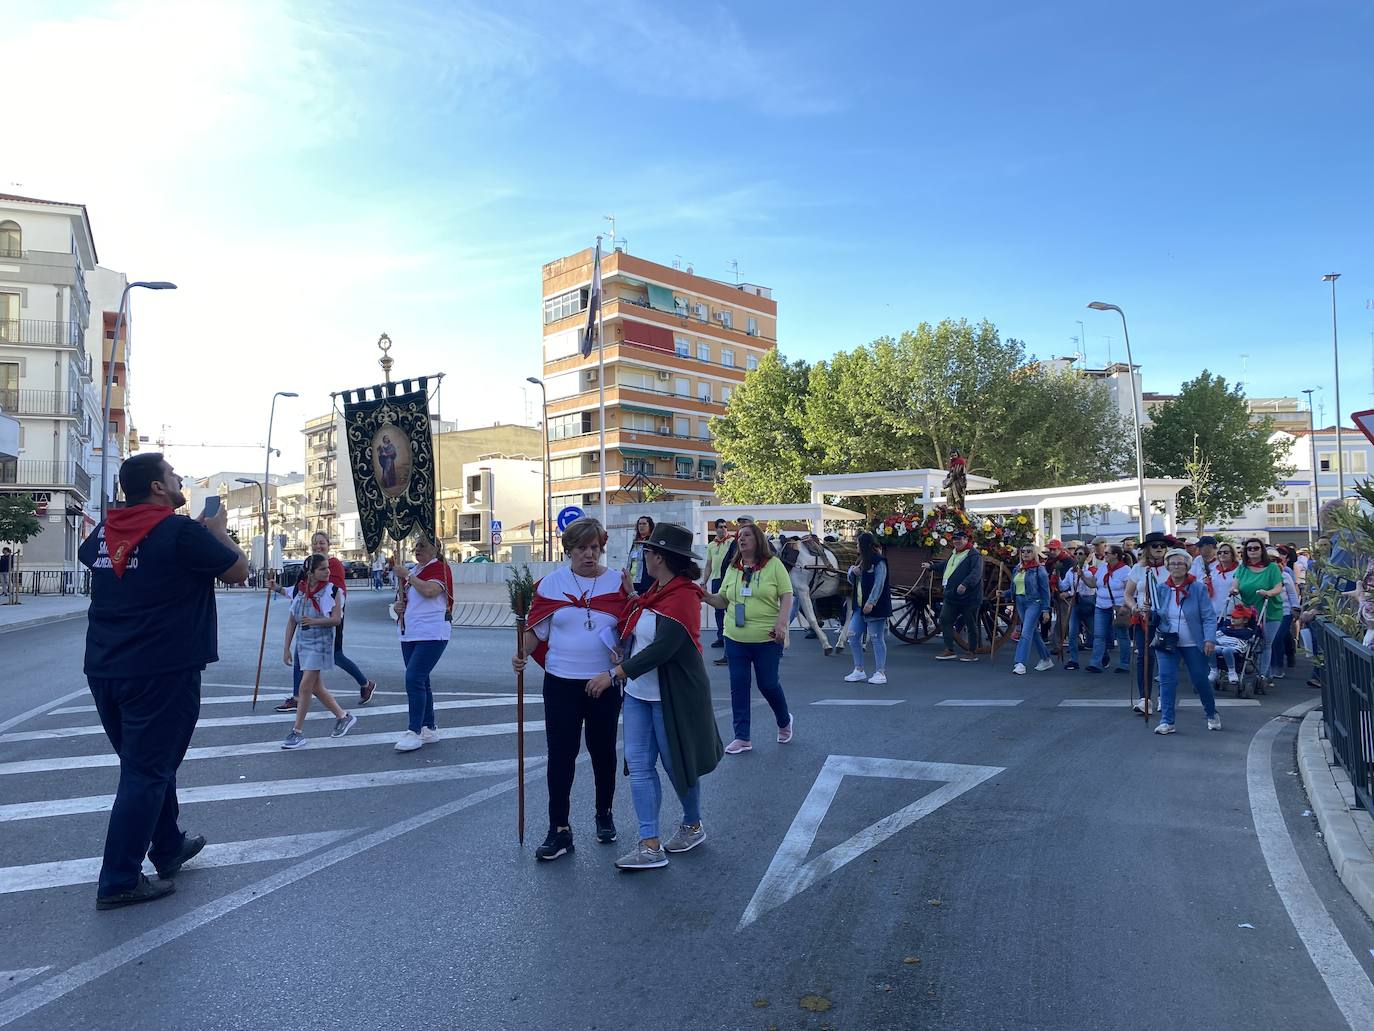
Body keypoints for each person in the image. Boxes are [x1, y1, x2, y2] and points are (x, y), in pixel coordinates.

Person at [80, 453, 249, 909]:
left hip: (105, 669)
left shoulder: (104, 532)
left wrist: (193, 532)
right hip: (161, 671)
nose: (178, 479)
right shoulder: (181, 532)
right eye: (173, 474)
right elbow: (238, 569)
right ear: (158, 487)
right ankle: (118, 878)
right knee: (148, 769)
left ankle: (169, 846)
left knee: (148, 763)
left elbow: (120, 551)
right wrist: (217, 531)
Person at [586, 523, 724, 871]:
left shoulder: (684, 597)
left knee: (677, 765)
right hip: (638, 694)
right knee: (641, 766)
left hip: (671, 696)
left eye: (647, 551)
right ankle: (650, 844)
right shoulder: (656, 593)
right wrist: (632, 598)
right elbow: (643, 629)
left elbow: (663, 648)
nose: (643, 555)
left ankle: (692, 824)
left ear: (658, 557)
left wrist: (614, 673)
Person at [513, 517, 627, 860]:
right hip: (561, 681)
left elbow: (630, 629)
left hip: (604, 682)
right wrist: (522, 652)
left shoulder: (618, 583)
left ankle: (604, 814)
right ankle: (559, 829)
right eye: (582, 548)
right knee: (561, 756)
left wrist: (621, 663)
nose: (590, 554)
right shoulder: (550, 584)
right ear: (569, 550)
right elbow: (537, 631)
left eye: (595, 548)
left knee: (603, 751)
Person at [703, 521, 794, 754]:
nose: (741, 539)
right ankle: (742, 737)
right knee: (739, 686)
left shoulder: (774, 565)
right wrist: (704, 596)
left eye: (747, 535)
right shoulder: (734, 567)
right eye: (739, 535)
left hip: (767, 638)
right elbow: (723, 600)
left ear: (758, 541)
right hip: (735, 638)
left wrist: (782, 623)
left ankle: (784, 721)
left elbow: (787, 595)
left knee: (768, 684)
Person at [273, 531, 376, 712]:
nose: (318, 546)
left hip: (328, 619)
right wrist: (277, 588)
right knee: (301, 653)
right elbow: (298, 590)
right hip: (310, 620)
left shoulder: (333, 564)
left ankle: (364, 684)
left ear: (328, 545)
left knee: (335, 656)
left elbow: (337, 591)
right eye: (315, 543)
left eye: (322, 543)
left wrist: (322, 614)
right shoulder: (311, 564)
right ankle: (298, 696)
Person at [280, 554, 357, 749]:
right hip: (303, 643)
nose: (327, 572)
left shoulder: (333, 591)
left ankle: (297, 731)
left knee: (305, 686)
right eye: (322, 569)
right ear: (311, 572)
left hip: (321, 643)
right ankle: (343, 716)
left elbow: (336, 619)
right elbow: (292, 621)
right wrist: (286, 648)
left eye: (327, 568)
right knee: (315, 687)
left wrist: (315, 621)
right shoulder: (301, 589)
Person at [1150, 548, 1221, 734]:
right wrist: (1145, 612)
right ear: (1167, 566)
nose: (1176, 567)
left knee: (1199, 680)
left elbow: (1208, 616)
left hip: (1193, 642)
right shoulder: (1161, 588)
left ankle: (1211, 713)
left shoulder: (1198, 588)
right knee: (1166, 680)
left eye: (1180, 563)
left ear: (1187, 566)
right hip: (1167, 641)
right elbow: (1156, 614)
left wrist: (1209, 639)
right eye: (1172, 563)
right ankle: (1167, 721)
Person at [393, 535, 453, 752]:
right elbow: (408, 599)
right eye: (416, 545)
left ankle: (414, 730)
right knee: (422, 680)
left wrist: (407, 576)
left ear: (436, 549)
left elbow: (430, 591)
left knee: (414, 677)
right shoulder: (415, 570)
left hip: (432, 632)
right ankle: (428, 727)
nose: (418, 549)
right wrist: (398, 606)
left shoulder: (440, 570)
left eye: (423, 546)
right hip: (410, 632)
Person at [1124, 531, 1173, 712]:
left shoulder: (1172, 567)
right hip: (1144, 618)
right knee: (1145, 657)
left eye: (1162, 546)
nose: (1159, 548)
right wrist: (1134, 607)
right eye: (1155, 546)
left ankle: (1163, 697)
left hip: (1167, 619)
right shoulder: (1138, 568)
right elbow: (1128, 594)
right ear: (1147, 549)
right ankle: (1144, 699)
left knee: (1165, 658)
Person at [924, 529, 983, 661]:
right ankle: (949, 649)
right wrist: (931, 567)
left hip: (968, 597)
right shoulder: (955, 553)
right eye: (955, 539)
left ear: (966, 540)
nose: (956, 541)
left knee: (971, 623)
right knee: (945, 619)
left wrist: (965, 584)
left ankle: (972, 652)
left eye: (960, 539)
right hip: (952, 594)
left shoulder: (974, 555)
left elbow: (976, 573)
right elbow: (947, 566)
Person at [1235, 537, 1284, 688]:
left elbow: (1278, 587)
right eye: (1249, 549)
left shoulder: (1272, 568)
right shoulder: (1242, 568)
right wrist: (1234, 590)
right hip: (1248, 611)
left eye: (1256, 548)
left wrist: (1269, 593)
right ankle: (1261, 671)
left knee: (1266, 643)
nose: (1252, 551)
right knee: (1251, 642)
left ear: (1262, 550)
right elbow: (1236, 583)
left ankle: (1262, 675)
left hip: (1269, 610)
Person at [843, 532, 892, 684]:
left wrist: (871, 602)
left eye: (858, 544)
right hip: (860, 606)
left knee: (877, 638)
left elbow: (879, 583)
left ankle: (880, 672)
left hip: (875, 607)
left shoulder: (879, 562)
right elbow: (853, 580)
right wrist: (852, 572)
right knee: (852, 635)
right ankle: (859, 669)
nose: (856, 546)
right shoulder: (861, 561)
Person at [1081, 544, 1132, 674]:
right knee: (1099, 635)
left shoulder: (1125, 570)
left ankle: (1124, 663)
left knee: (1122, 635)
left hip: (1119, 606)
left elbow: (1129, 590)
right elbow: (1093, 583)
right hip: (1101, 605)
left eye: (1108, 553)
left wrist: (1126, 606)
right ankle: (1095, 663)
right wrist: (1082, 576)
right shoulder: (1103, 568)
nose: (1105, 555)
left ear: (1115, 555)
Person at [1003, 544, 1053, 675]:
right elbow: (1015, 588)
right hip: (1020, 602)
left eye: (1029, 551)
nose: (1025, 553)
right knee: (1032, 631)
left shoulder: (1039, 570)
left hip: (1034, 602)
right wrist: (1003, 593)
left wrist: (1046, 609)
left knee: (1025, 633)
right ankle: (1046, 659)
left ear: (1034, 553)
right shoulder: (1017, 568)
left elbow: (1045, 591)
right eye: (1023, 551)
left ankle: (1020, 663)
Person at [1060, 544, 1097, 670]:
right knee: (1072, 632)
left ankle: (1102, 656)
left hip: (1088, 602)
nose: (1077, 556)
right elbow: (1064, 586)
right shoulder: (1071, 571)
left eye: (1081, 554)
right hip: (1075, 603)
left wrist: (1082, 575)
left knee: (1094, 632)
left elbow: (1091, 586)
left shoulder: (1091, 570)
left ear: (1087, 557)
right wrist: (1056, 578)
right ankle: (1073, 659)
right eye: (1076, 554)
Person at [700, 518, 733, 649]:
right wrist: (704, 581)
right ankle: (721, 637)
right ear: (715, 529)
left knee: (729, 609)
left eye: (725, 526)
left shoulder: (732, 542)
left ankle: (730, 637)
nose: (723, 529)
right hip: (716, 580)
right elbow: (708, 565)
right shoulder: (711, 545)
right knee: (718, 610)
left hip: (728, 579)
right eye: (720, 527)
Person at [625, 515, 656, 595]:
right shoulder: (636, 542)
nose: (641, 526)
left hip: (646, 582)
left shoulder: (652, 542)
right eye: (639, 524)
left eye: (644, 524)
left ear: (650, 526)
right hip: (633, 582)